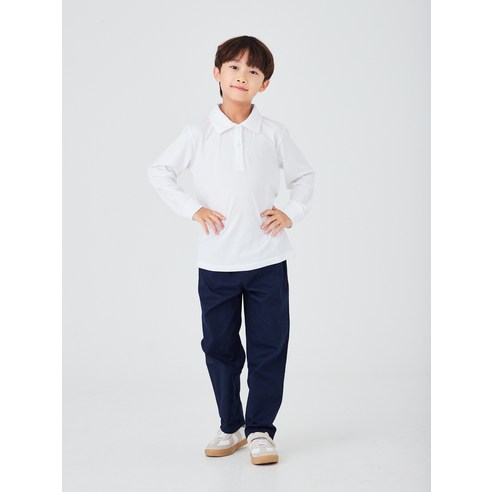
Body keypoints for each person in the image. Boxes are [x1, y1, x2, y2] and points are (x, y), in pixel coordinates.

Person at [146, 35, 315, 465]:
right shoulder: (197, 133)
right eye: (234, 67)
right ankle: (231, 426)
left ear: (265, 84)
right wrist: (192, 208)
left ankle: (260, 430)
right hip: (217, 262)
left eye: (253, 71)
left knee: (268, 347)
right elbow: (160, 171)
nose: (242, 76)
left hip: (267, 260)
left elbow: (303, 177)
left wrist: (291, 212)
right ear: (217, 73)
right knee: (219, 348)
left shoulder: (273, 133)